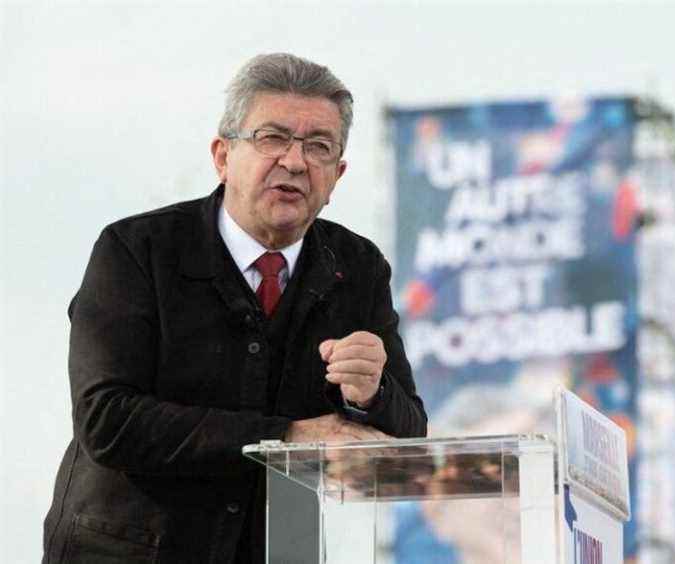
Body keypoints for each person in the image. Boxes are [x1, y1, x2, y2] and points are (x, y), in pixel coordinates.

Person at [42, 53, 427, 564]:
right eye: (272, 138)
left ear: (337, 175)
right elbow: (106, 420)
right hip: (128, 550)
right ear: (222, 156)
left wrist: (372, 392)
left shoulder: (357, 268)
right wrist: (286, 437)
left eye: (319, 147)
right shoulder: (137, 250)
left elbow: (411, 435)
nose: (294, 161)